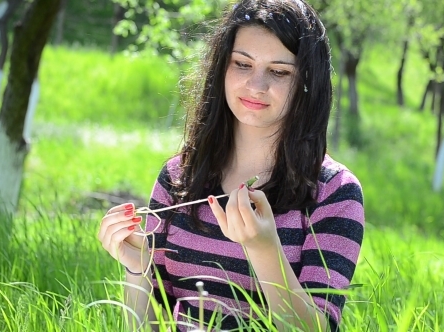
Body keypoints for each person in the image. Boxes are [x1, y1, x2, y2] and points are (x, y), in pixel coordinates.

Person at [98, 0, 364, 330]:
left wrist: (264, 249)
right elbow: (149, 325)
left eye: (279, 71)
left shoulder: (334, 192)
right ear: (222, 67)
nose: (256, 85)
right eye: (242, 64)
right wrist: (137, 268)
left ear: (307, 82)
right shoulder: (179, 177)